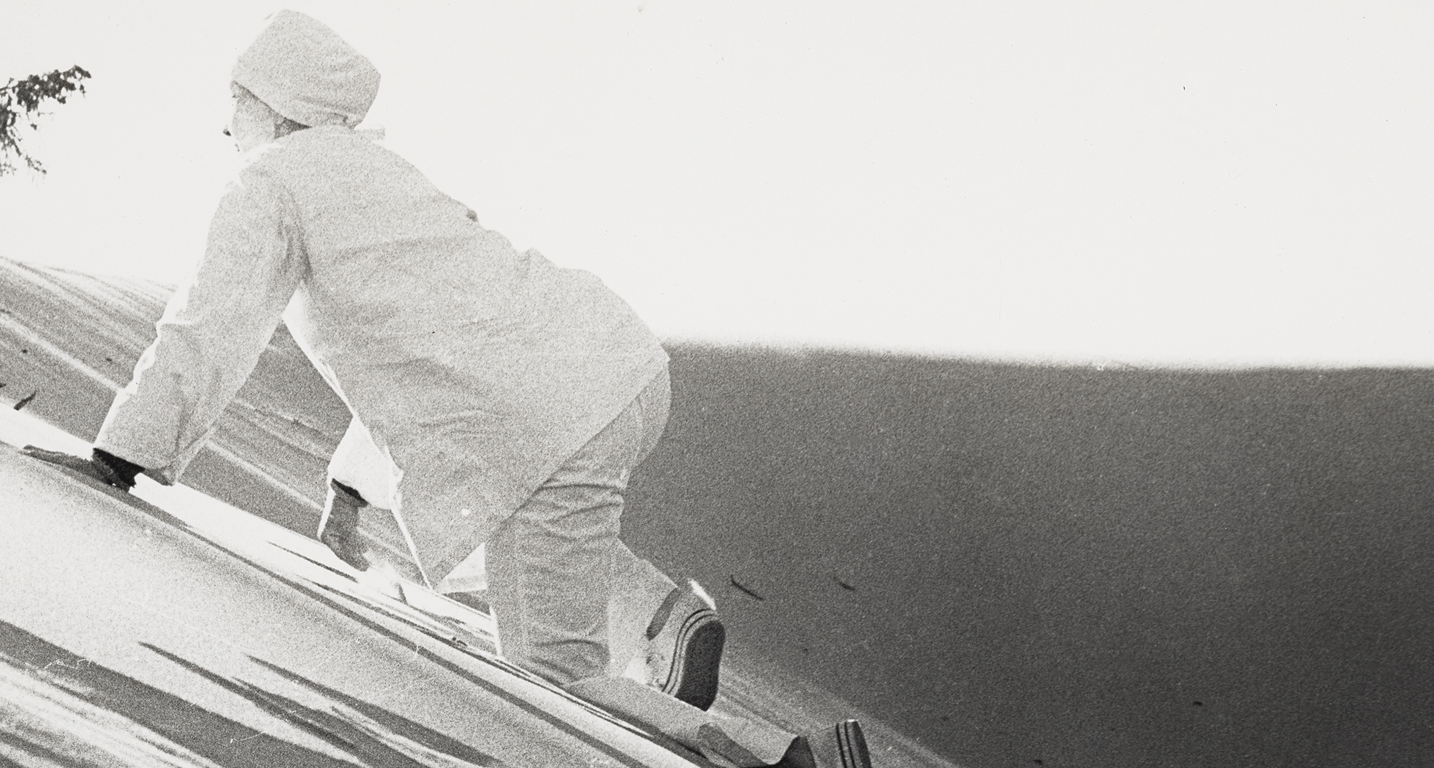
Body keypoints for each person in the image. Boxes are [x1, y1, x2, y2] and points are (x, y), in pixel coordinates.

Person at [84, 10, 857, 768]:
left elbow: (209, 325)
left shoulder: (270, 182)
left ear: (278, 101)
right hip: (605, 368)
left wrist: (121, 455)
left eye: (237, 95)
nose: (225, 121)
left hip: (543, 418)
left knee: (555, 690)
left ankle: (789, 762)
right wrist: (352, 490)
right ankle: (659, 620)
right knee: (491, 532)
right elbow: (431, 354)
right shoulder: (373, 171)